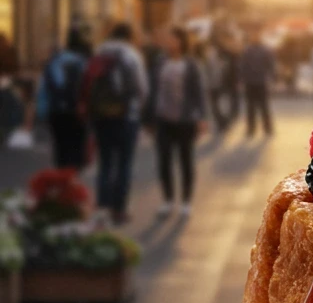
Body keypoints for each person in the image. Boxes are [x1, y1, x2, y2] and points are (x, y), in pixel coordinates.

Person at [83, 22, 148, 224]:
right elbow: (141, 87)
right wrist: (139, 110)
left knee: (105, 162)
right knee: (124, 163)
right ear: (130, 35)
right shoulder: (131, 54)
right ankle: (119, 209)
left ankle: (102, 205)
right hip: (126, 115)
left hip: (100, 115)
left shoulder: (100, 51)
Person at [147, 27, 207, 217]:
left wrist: (202, 117)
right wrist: (148, 117)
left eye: (171, 38)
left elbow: (199, 93)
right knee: (164, 160)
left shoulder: (191, 64)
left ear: (181, 41)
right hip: (163, 119)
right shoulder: (159, 62)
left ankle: (186, 200)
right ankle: (168, 200)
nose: (168, 42)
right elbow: (152, 90)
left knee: (185, 160)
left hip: (185, 120)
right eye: (167, 38)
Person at [37, 27, 91, 169]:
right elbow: (89, 88)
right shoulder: (83, 62)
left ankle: (61, 180)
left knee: (60, 149)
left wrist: (42, 112)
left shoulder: (54, 61)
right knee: (76, 149)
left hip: (56, 111)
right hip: (76, 111)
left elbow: (43, 89)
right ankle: (73, 180)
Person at [239, 30, 275, 137]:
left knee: (264, 106)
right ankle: (251, 128)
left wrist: (271, 78)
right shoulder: (247, 50)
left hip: (261, 81)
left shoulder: (265, 50)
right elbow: (242, 65)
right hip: (250, 82)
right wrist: (241, 79)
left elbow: (270, 65)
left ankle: (267, 128)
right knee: (250, 107)